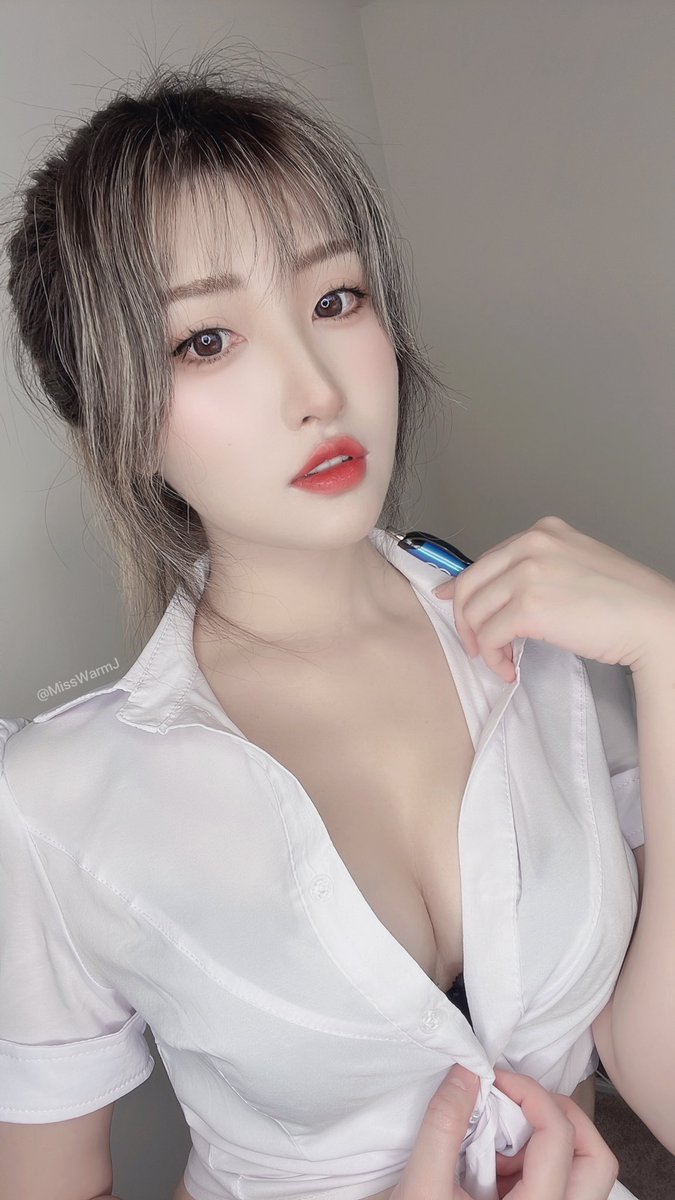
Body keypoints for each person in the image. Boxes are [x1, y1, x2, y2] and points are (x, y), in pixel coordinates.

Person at [0, 52, 672, 1200]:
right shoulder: (57, 805)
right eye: (205, 340)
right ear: (115, 414)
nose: (317, 387)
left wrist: (670, 652)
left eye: (334, 299)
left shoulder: (559, 643)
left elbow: (656, 1078)